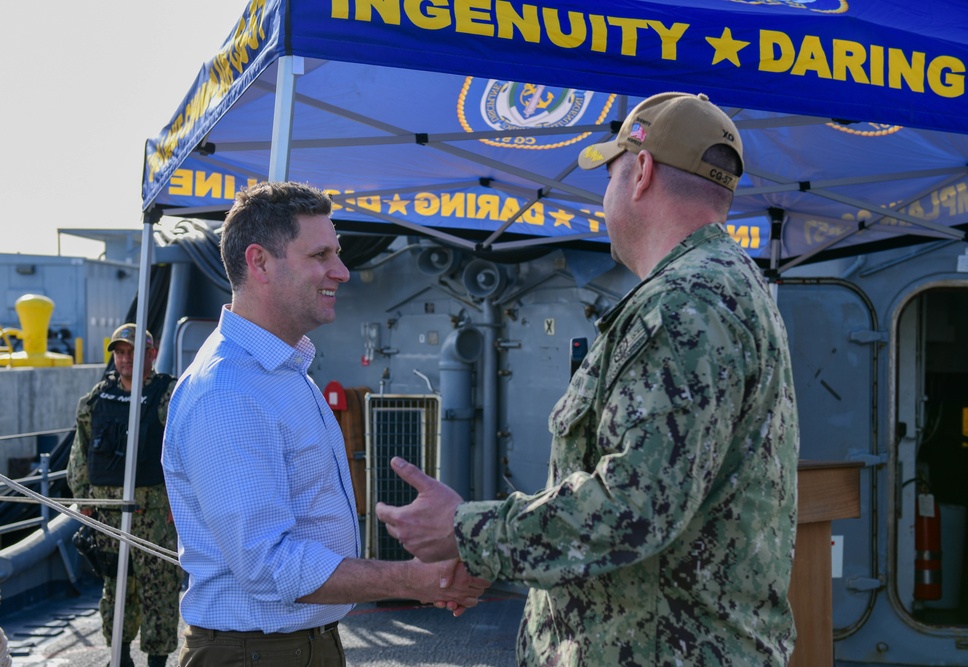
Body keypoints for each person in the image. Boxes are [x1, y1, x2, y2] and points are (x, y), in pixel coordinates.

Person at [376, 92, 801, 666]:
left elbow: (634, 506)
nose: (603, 199)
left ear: (642, 172)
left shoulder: (684, 305)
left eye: (609, 174)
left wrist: (466, 532)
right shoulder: (724, 286)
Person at [161, 181, 489, 667]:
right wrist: (412, 580)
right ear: (260, 262)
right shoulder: (226, 391)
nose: (341, 270)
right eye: (320, 255)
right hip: (255, 653)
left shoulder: (285, 373)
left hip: (300, 644)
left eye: (336, 253)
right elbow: (267, 565)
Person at [68, 323, 182, 667]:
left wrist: (182, 502)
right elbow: (81, 451)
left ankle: (157, 661)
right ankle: (119, 656)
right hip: (109, 511)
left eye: (133, 351)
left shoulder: (168, 395)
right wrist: (83, 498)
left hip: (155, 512)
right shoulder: (97, 399)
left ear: (151, 354)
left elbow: (185, 451)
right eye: (119, 352)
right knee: (117, 588)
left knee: (158, 588)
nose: (125, 358)